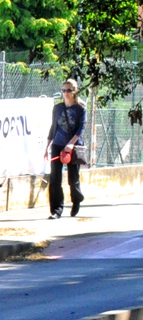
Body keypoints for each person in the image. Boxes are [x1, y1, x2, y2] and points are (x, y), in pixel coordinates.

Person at [45, 79, 86, 219]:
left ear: (75, 91)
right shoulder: (57, 108)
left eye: (69, 90)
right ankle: (56, 209)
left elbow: (81, 128)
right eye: (63, 90)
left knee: (73, 178)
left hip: (73, 146)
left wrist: (71, 144)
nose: (66, 93)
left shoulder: (80, 108)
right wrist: (47, 146)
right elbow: (53, 127)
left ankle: (76, 200)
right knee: (55, 177)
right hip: (58, 144)